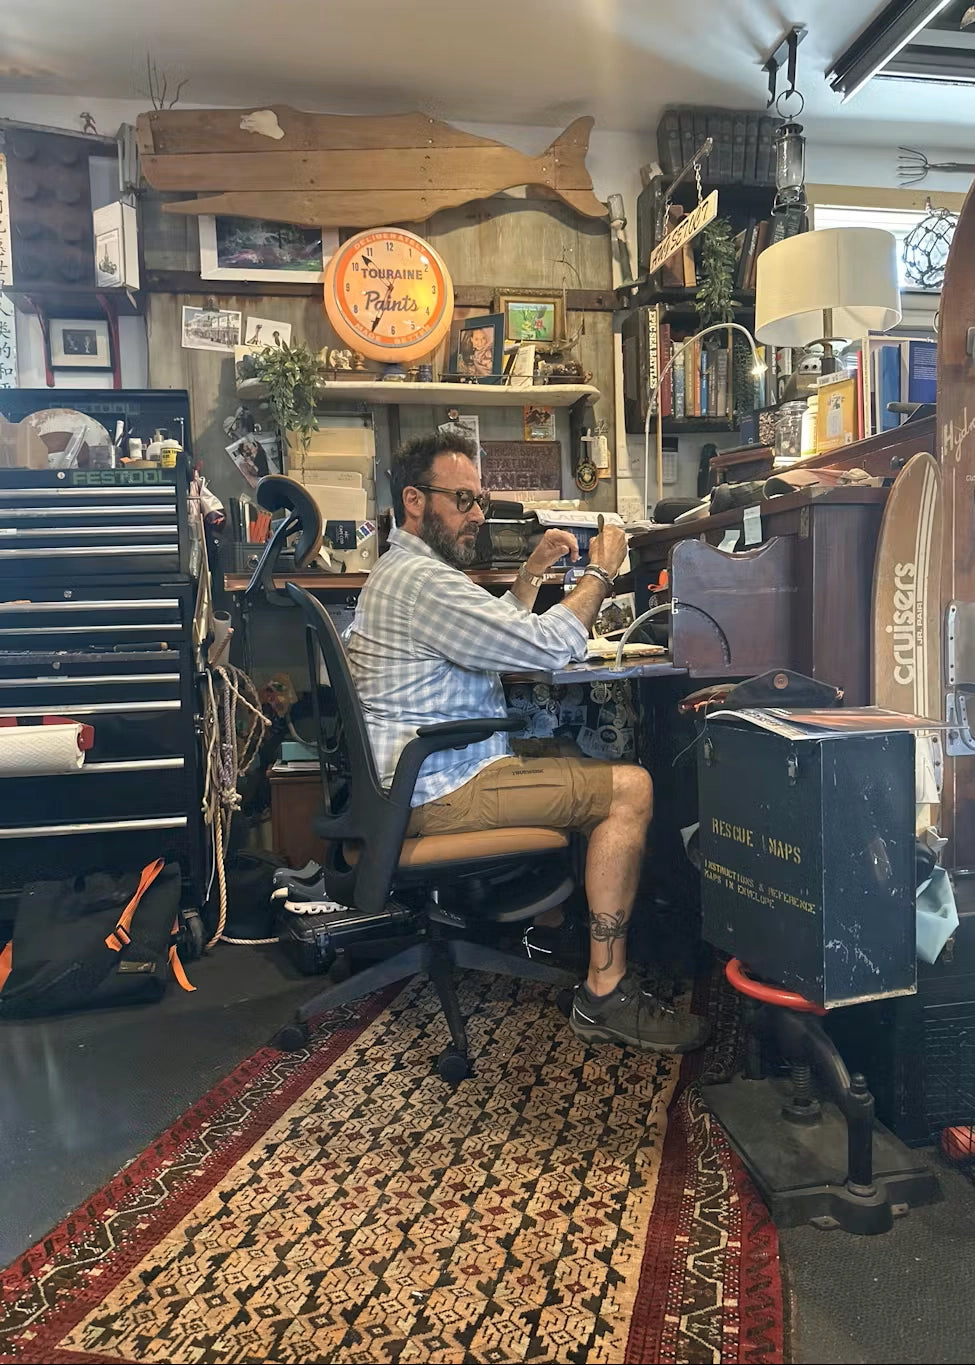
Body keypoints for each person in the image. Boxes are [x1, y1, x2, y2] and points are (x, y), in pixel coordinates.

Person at [346, 433, 708, 1054]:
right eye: (463, 500)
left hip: (415, 775)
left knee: (575, 756)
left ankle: (559, 933)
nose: (477, 516)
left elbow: (498, 636)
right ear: (414, 500)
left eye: (480, 501)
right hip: (437, 787)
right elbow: (546, 646)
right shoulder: (425, 582)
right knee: (631, 787)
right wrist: (601, 572)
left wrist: (532, 573)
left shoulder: (406, 573)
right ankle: (605, 993)